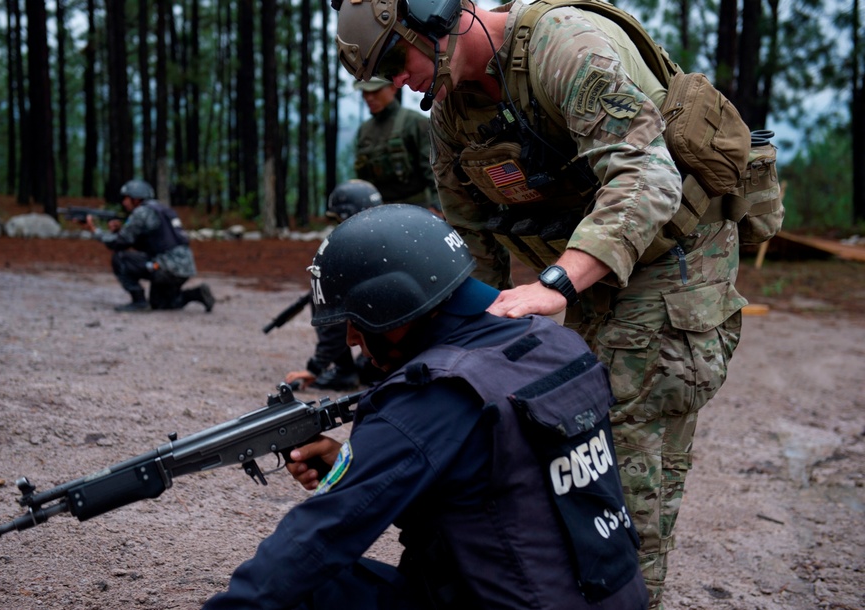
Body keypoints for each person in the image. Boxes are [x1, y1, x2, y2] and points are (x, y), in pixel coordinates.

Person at [334, 1, 748, 607]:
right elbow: (467, 248)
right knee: (552, 447)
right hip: (592, 270)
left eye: (395, 58)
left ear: (433, 16)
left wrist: (554, 284)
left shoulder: (566, 48)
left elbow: (647, 178)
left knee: (619, 471)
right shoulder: (452, 113)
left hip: (672, 263)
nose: (394, 80)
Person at [204, 204, 648, 609]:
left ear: (397, 302)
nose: (352, 340)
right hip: (608, 596)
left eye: (356, 321)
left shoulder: (430, 393)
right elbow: (501, 490)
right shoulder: (553, 343)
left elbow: (316, 538)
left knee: (309, 589)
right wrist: (355, 464)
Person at [284, 180, 384, 391]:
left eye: (339, 218)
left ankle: (345, 371)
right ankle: (379, 362)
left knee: (323, 294)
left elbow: (335, 317)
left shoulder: (352, 252)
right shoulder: (387, 240)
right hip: (415, 346)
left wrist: (316, 367)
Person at [87, 179, 214, 313]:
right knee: (160, 303)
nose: (123, 202)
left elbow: (119, 243)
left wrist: (95, 231)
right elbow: (150, 242)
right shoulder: (162, 209)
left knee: (120, 258)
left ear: (136, 199)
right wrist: (120, 230)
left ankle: (139, 301)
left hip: (165, 267)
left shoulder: (142, 212)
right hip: (184, 268)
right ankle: (197, 294)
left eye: (126, 198)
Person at [353, 77, 439, 212]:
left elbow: (435, 171)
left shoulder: (415, 123)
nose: (369, 97)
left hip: (416, 209)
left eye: (375, 91)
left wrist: (437, 206)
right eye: (365, 92)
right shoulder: (364, 130)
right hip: (378, 211)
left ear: (392, 88)